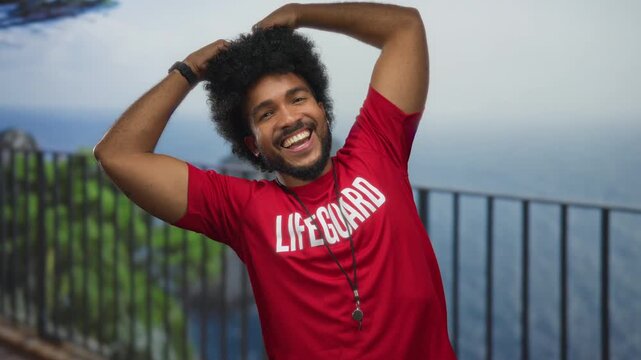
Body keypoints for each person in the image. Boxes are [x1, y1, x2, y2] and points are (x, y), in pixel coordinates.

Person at [94, 2, 455, 359]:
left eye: (298, 99)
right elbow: (117, 155)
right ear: (253, 146)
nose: (289, 118)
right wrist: (188, 70)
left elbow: (404, 27)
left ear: (322, 111)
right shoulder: (241, 209)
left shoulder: (377, 149)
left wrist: (302, 13)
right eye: (266, 114)